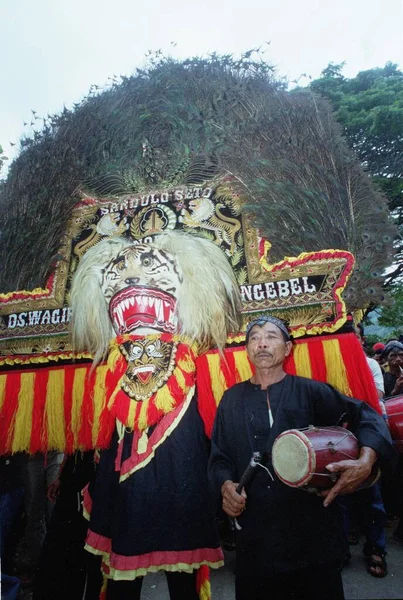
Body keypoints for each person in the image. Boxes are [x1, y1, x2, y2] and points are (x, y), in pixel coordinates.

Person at [209, 316, 395, 600]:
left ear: (287, 348)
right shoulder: (231, 399)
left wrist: (366, 460)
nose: (261, 343)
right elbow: (219, 457)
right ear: (246, 350)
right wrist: (225, 486)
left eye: (271, 336)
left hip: (314, 539)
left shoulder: (312, 391)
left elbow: (367, 417)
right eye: (254, 337)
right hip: (256, 542)